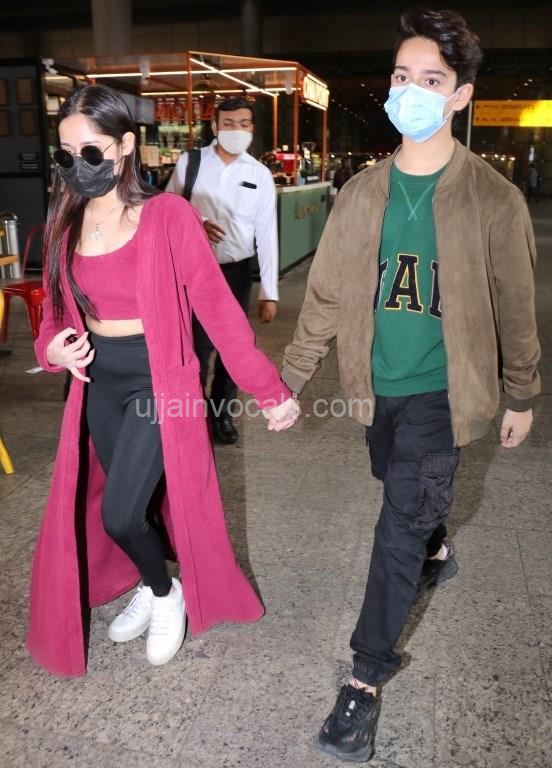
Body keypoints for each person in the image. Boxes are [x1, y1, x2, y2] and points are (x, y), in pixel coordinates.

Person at [281, 8, 540, 763]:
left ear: (459, 95)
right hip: (377, 389)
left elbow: (517, 307)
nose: (410, 92)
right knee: (400, 491)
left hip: (442, 393)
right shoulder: (363, 193)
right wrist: (290, 377)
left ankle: (363, 681)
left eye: (431, 80)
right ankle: (434, 541)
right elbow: (326, 292)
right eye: (402, 76)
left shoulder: (493, 199)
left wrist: (521, 394)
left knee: (395, 529)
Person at [29, 84, 300, 677]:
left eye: (91, 152)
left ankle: (163, 592)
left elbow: (218, 312)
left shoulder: (166, 216)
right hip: (98, 383)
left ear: (126, 146)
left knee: (120, 514)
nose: (77, 166)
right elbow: (53, 312)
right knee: (133, 502)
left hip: (159, 383)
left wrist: (268, 390)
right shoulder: (63, 224)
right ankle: (150, 586)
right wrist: (51, 348)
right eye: (66, 154)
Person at [166, 96, 279, 445]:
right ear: (215, 126)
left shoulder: (259, 174)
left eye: (243, 124)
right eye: (228, 123)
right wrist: (195, 222)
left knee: (233, 346)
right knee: (196, 347)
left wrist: (269, 292)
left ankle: (222, 414)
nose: (236, 130)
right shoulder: (191, 163)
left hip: (236, 272)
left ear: (252, 129)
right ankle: (194, 414)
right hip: (193, 270)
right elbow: (165, 210)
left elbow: (267, 233)